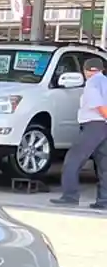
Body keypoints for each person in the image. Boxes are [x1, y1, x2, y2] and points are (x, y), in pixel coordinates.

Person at [53, 54, 107, 209]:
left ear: (87, 70)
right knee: (104, 164)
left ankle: (70, 196)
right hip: (104, 126)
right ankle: (104, 200)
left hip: (93, 125)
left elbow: (99, 105)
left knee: (73, 160)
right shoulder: (105, 81)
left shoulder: (92, 84)